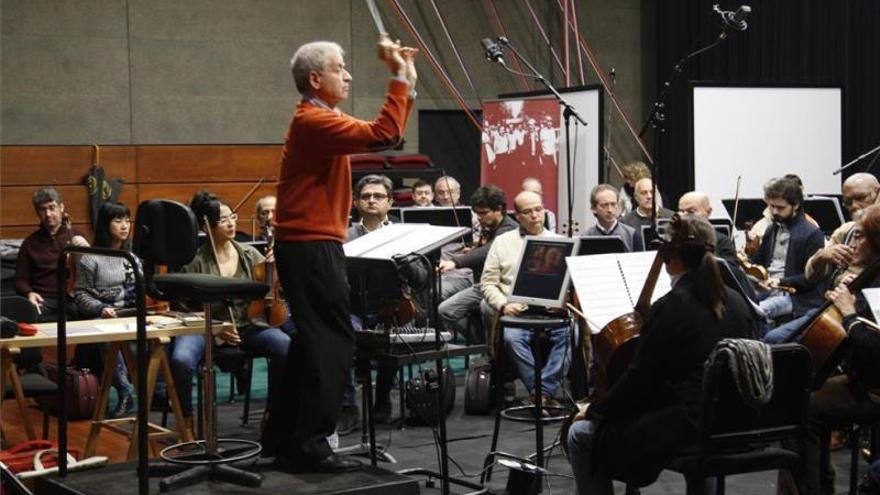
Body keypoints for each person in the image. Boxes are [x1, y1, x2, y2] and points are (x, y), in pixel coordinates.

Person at [263, 34, 418, 473]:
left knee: (310, 342)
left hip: (306, 244)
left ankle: (285, 439)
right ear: (316, 79)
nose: (348, 75)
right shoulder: (315, 121)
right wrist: (397, 76)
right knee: (334, 341)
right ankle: (312, 444)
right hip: (311, 245)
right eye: (340, 68)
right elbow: (385, 133)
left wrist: (406, 79)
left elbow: (387, 133)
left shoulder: (320, 118)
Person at [567, 215, 759, 494]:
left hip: (686, 428)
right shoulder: (738, 302)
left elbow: (641, 378)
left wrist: (596, 411)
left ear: (671, 257)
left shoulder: (671, 307)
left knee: (580, 434)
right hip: (731, 422)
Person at [777, 204, 880, 495]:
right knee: (799, 393)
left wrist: (849, 314)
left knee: (800, 409)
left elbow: (874, 355)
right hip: (863, 377)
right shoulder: (868, 276)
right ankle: (819, 484)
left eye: (860, 236)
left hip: (874, 387)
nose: (853, 242)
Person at [171, 191, 291, 430]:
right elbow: (180, 310)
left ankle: (274, 415)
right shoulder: (194, 262)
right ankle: (186, 422)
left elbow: (271, 292)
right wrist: (216, 330)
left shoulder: (250, 255)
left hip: (247, 326)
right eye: (223, 219)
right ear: (206, 226)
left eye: (232, 217)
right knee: (180, 359)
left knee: (285, 345)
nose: (230, 223)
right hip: (204, 329)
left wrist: (275, 268)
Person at [763, 172, 880, 343]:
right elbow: (811, 275)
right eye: (848, 202)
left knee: (775, 338)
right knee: (773, 337)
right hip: (832, 308)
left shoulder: (809, 231)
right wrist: (823, 256)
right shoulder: (846, 231)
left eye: (861, 198)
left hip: (854, 316)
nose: (854, 206)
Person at [481, 190, 570, 406]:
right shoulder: (502, 242)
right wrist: (503, 304)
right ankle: (543, 395)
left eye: (538, 209)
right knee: (512, 339)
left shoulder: (561, 242)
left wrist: (563, 303)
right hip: (516, 310)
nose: (535, 215)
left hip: (551, 311)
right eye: (528, 212)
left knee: (570, 335)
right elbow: (488, 283)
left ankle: (540, 395)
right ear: (518, 216)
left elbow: (569, 285)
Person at [340, 174, 400, 429]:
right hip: (353, 308)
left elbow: (421, 279)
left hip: (391, 308)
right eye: (365, 196)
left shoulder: (402, 234)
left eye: (378, 196)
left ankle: (383, 398)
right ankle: (347, 406)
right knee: (342, 337)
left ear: (390, 202)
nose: (371, 200)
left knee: (391, 339)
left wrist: (404, 261)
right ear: (356, 202)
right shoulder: (344, 236)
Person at [72, 202, 137, 418]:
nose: (124, 226)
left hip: (129, 314)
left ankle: (157, 391)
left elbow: (139, 292)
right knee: (107, 335)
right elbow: (81, 295)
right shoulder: (90, 259)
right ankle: (125, 390)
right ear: (105, 225)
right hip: (104, 316)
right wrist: (100, 308)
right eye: (118, 221)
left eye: (127, 220)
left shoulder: (133, 257)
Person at [438, 185, 519, 344]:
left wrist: (455, 262)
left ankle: (489, 346)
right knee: (446, 310)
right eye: (477, 213)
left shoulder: (510, 228)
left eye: (484, 213)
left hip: (498, 287)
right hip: (481, 284)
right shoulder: (490, 226)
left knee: (481, 306)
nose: (479, 218)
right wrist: (474, 249)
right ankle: (484, 344)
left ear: (499, 209)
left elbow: (491, 250)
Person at [749, 176, 824, 322]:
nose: (774, 211)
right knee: (736, 304)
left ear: (796, 205)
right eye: (771, 206)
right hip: (768, 288)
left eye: (780, 207)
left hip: (795, 296)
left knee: (756, 311)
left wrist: (781, 281)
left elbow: (810, 280)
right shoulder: (772, 229)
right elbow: (759, 262)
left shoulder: (812, 233)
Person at [14, 187, 89, 321]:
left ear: (61, 207)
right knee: (29, 315)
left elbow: (94, 272)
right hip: (43, 299)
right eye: (43, 210)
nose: (48, 214)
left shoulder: (77, 236)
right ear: (38, 213)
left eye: (52, 208)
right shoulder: (30, 243)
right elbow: (20, 279)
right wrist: (29, 293)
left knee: (90, 314)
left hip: (73, 298)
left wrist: (88, 251)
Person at [677, 191, 736, 263]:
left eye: (691, 211)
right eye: (681, 211)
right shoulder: (674, 238)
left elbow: (730, 267)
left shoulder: (722, 241)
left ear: (708, 212)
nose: (684, 216)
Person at [584, 184, 642, 252]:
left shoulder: (632, 235)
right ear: (593, 209)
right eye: (604, 205)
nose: (610, 210)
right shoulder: (586, 237)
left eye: (613, 204)